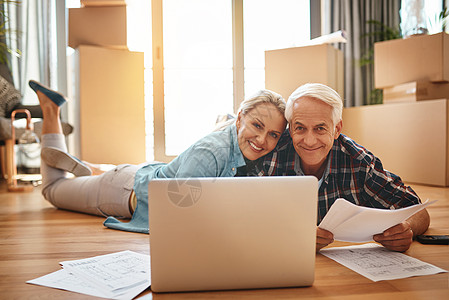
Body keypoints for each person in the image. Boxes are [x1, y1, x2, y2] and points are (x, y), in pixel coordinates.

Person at [29, 80, 287, 233]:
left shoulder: (249, 144)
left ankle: (90, 169)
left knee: (94, 178)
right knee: (53, 189)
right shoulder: (211, 153)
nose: (263, 141)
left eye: (274, 134)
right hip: (121, 192)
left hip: (146, 173)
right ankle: (51, 110)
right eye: (257, 126)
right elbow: (176, 215)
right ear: (241, 118)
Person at [256, 83, 430, 252]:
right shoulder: (272, 155)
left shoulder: (358, 161)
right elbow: (248, 218)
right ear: (290, 128)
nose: (309, 141)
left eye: (320, 128)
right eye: (300, 128)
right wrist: (291, 235)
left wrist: (407, 228)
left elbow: (417, 209)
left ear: (337, 128)